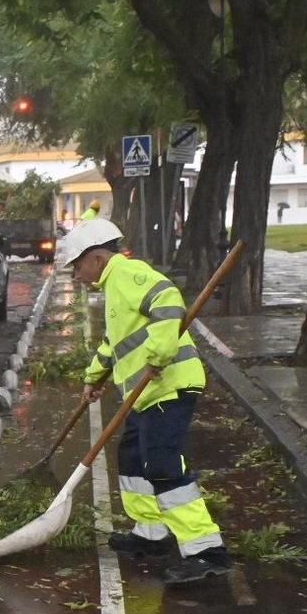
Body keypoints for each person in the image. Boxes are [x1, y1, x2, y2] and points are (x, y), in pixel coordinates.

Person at [60, 218, 230, 586]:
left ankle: (205, 550)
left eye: (77, 266)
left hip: (170, 386)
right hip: (146, 394)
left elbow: (168, 301)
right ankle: (151, 533)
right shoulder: (114, 289)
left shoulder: (128, 274)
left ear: (99, 259)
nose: (76, 276)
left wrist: (159, 353)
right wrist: (94, 378)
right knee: (132, 457)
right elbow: (114, 343)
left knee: (163, 465)